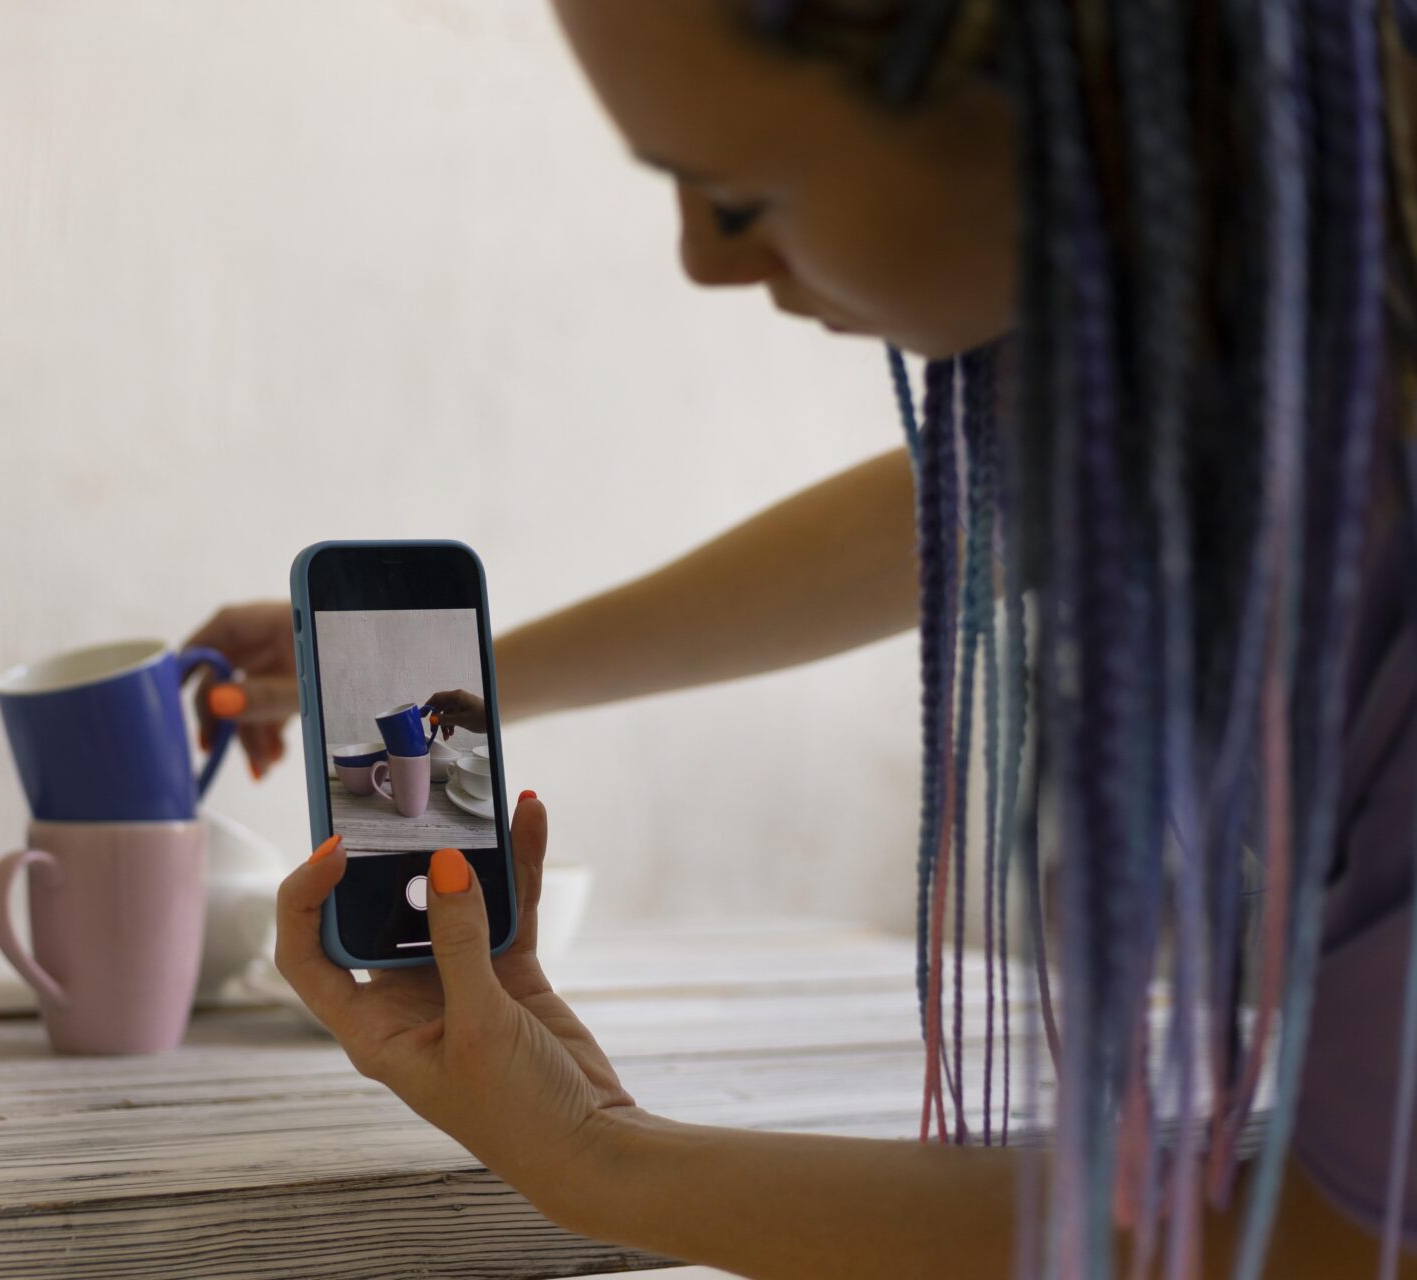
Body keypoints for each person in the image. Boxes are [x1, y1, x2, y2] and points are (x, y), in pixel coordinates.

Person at [183, 2, 1417, 1275]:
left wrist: (598, 1160)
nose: (702, 264)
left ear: (1058, 110)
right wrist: (459, 688)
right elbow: (952, 513)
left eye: (734, 194)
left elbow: (1336, 1241)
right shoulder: (1251, 359)